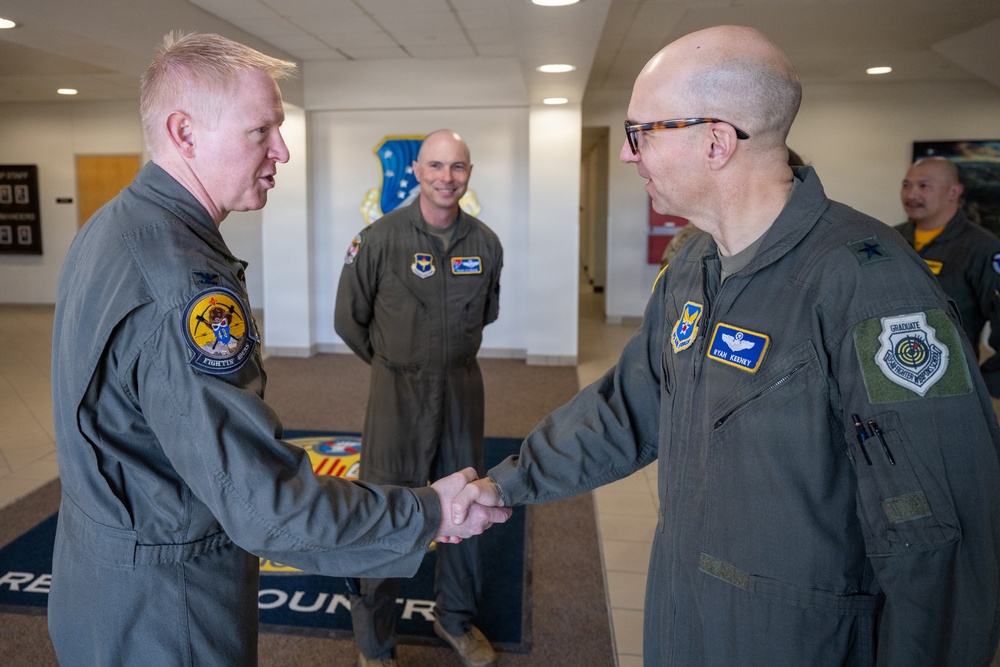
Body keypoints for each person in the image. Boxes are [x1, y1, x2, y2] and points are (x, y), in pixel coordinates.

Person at [453, 25, 1000, 666]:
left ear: (715, 141)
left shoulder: (871, 284)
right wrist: (506, 484)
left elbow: (940, 537)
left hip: (800, 641)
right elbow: (628, 407)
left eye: (641, 132)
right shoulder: (693, 267)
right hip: (686, 615)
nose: (630, 154)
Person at [48, 32, 510, 666]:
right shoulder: (183, 285)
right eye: (260, 131)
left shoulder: (113, 227)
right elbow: (264, 505)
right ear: (184, 134)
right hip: (167, 611)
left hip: (99, 581)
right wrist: (428, 513)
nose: (283, 151)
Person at [335, 129, 503, 667]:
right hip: (396, 396)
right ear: (418, 173)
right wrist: (393, 367)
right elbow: (349, 321)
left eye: (457, 167)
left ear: (468, 174)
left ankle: (453, 619)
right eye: (435, 166)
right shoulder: (378, 240)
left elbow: (487, 314)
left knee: (469, 505)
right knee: (386, 510)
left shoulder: (485, 244)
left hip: (460, 391)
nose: (446, 178)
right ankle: (376, 645)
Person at [895, 156, 1000, 396]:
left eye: (924, 186)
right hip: (895, 379)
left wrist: (987, 382)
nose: (911, 195)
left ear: (954, 192)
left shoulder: (982, 247)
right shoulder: (891, 239)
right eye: (906, 185)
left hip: (955, 386)